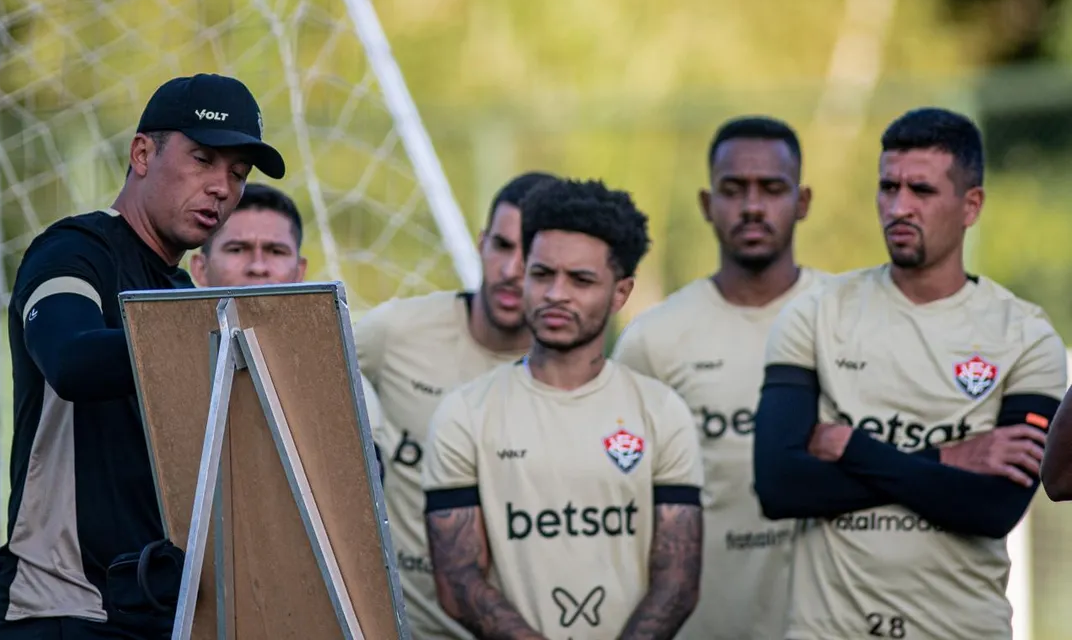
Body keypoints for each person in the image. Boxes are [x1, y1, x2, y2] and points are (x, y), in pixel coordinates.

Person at [753, 107, 1066, 640]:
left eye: (921, 190)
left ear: (972, 206)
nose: (899, 207)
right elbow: (781, 486)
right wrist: (947, 458)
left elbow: (992, 507)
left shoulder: (1027, 336)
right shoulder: (815, 313)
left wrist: (854, 449)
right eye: (887, 187)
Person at [0, 73, 286, 639]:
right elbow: (71, 360)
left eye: (237, 174)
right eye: (204, 159)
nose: (222, 187)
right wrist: (221, 339)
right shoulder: (72, 252)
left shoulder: (182, 297)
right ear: (143, 153)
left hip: (161, 614)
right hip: (61, 609)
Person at [422, 178, 704, 640]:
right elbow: (459, 583)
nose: (556, 293)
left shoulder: (660, 411)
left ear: (621, 292)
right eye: (542, 274)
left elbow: (677, 581)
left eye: (581, 280)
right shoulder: (464, 414)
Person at [612, 115, 823, 640]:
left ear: (803, 201)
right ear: (708, 204)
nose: (752, 206)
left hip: (828, 623)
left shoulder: (849, 319)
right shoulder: (653, 340)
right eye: (734, 189)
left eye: (772, 188)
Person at [353, 171, 557, 639]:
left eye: (532, 256)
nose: (511, 269)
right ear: (482, 243)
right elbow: (306, 373)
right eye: (503, 246)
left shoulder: (571, 376)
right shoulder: (396, 332)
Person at [189, 181, 386, 485]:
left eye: (275, 250)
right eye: (237, 249)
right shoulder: (164, 366)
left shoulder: (342, 379)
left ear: (299, 270)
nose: (257, 266)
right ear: (200, 269)